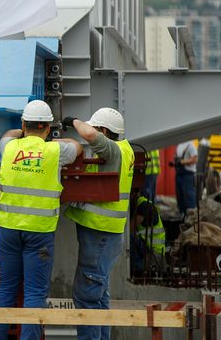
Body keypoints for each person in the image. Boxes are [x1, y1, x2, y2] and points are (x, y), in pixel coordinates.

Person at [0, 100, 82, 340]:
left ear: (23, 123)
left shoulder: (9, 148)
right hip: (40, 234)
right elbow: (77, 146)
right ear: (49, 127)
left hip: (9, 230)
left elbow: (7, 135)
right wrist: (53, 140)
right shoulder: (55, 151)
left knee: (3, 292)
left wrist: (21, 132)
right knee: (34, 294)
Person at [62, 108, 135, 340]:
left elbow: (92, 137)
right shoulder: (124, 150)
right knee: (99, 294)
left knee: (86, 295)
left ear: (104, 131)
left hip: (100, 233)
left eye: (94, 129)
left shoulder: (113, 150)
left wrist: (72, 120)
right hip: (104, 233)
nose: (87, 134)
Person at [130, 195, 166, 277]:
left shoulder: (144, 207)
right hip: (151, 250)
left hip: (153, 253)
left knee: (130, 237)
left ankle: (138, 271)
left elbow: (130, 228)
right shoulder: (144, 204)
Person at [175, 140, 199, 217]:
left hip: (188, 175)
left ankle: (192, 217)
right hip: (179, 174)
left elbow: (195, 159)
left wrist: (181, 162)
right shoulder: (179, 145)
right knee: (180, 196)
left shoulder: (191, 145)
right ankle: (183, 214)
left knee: (189, 196)